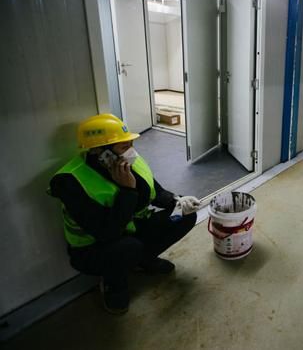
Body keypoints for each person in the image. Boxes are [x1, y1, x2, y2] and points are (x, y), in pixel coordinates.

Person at [49, 114, 200, 314]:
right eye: (124, 146)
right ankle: (114, 284)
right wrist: (127, 190)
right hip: (95, 248)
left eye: (130, 144)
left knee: (185, 216)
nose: (131, 152)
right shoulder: (70, 182)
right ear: (99, 152)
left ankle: (144, 260)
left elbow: (155, 192)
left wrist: (178, 201)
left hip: (131, 228)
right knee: (128, 248)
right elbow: (107, 232)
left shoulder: (127, 161)